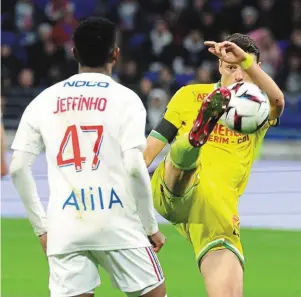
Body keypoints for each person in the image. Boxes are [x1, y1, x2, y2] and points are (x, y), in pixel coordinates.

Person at [10, 17, 166, 297]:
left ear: (74, 53)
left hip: (66, 227)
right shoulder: (127, 99)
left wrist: (42, 230)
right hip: (118, 223)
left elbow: (18, 168)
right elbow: (134, 167)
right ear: (115, 54)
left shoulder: (44, 100)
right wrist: (150, 226)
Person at [144, 33, 285, 297]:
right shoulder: (189, 96)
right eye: (231, 68)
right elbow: (149, 152)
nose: (239, 76)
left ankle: (195, 139)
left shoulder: (256, 110)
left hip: (215, 214)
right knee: (184, 157)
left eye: (244, 68)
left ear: (255, 69)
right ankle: (195, 139)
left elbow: (278, 101)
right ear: (220, 65)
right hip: (171, 190)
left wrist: (244, 61)